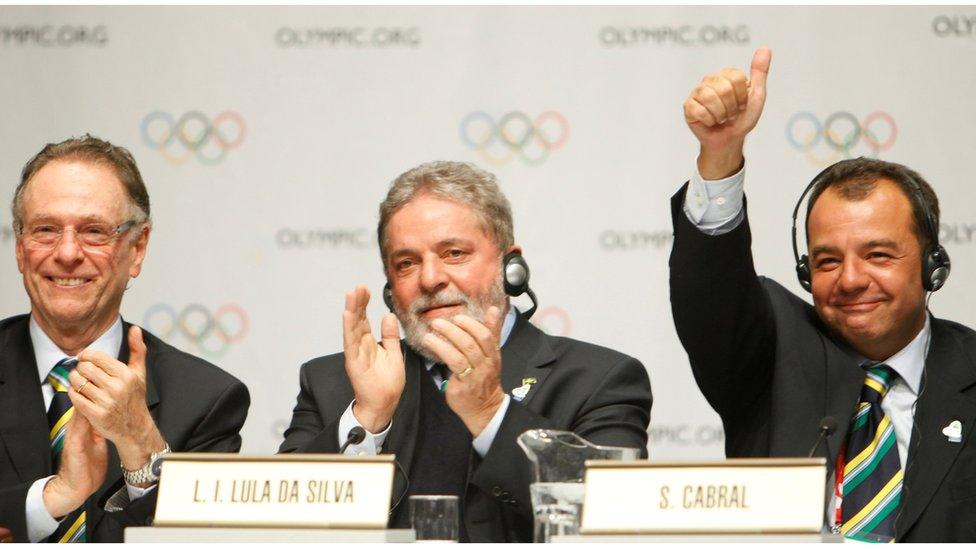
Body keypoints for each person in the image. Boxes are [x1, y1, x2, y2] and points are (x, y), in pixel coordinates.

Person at [670, 47, 976, 542]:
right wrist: (721, 156)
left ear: (931, 266)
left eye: (878, 255)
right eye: (828, 260)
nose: (851, 279)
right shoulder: (770, 357)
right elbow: (711, 294)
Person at [280, 161, 652, 542]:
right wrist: (368, 420)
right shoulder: (334, 383)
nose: (430, 279)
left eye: (454, 253)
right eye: (406, 264)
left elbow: (612, 520)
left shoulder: (598, 380)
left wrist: (491, 412)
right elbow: (274, 529)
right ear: (391, 288)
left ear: (511, 267)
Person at [0, 135, 250, 542]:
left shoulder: (205, 400)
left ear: (137, 248)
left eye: (93, 231)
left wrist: (142, 445)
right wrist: (52, 499)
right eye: (45, 230)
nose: (66, 253)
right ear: (19, 247)